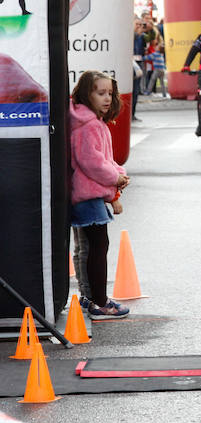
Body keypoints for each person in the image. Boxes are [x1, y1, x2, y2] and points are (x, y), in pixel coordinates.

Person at [69, 71, 130, 319]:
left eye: (110, 93)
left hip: (88, 194)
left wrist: (118, 172)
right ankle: (100, 302)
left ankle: (90, 297)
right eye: (100, 93)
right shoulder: (89, 126)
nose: (107, 98)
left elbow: (104, 159)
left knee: (88, 247)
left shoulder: (91, 122)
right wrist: (115, 178)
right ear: (86, 94)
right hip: (88, 195)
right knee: (97, 246)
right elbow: (92, 162)